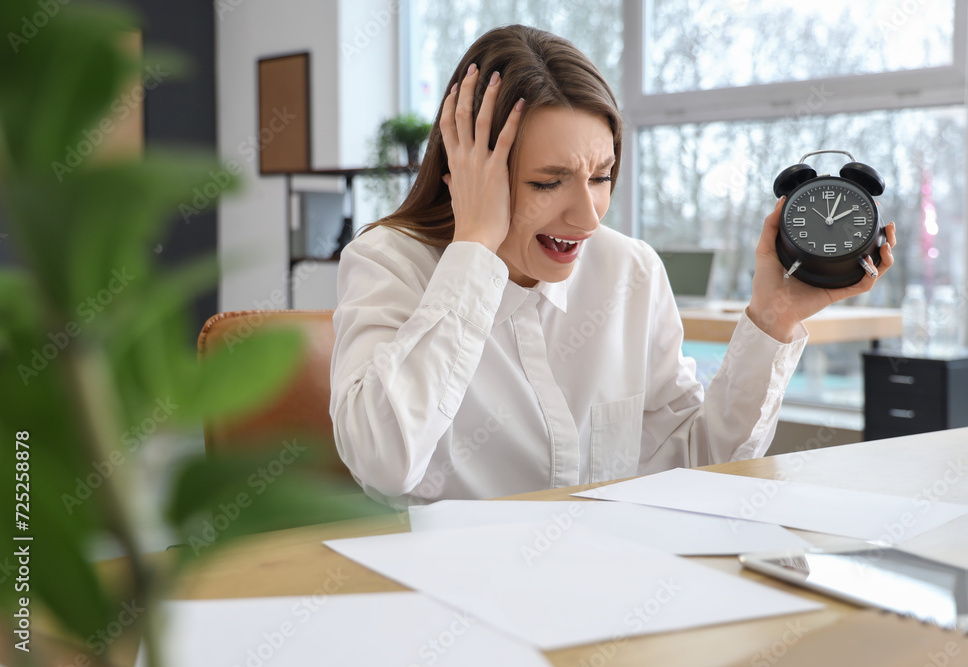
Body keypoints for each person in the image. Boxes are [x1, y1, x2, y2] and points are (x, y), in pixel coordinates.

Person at [330, 24, 896, 508]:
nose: (588, 215)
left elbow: (700, 464)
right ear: (471, 172)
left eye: (601, 176)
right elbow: (383, 464)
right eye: (547, 182)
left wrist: (775, 316)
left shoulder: (630, 270)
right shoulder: (389, 263)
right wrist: (476, 246)